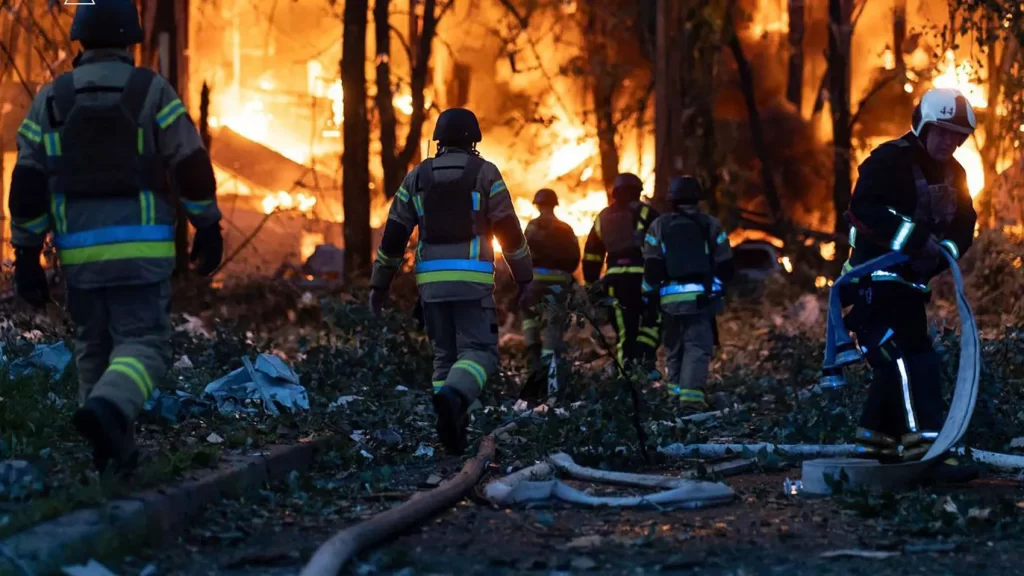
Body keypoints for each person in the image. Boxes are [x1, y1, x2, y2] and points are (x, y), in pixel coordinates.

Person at [9, 1, 223, 474]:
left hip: (80, 255)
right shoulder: (151, 92)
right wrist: (207, 224)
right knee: (145, 344)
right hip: (141, 254)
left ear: (80, 38)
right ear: (131, 39)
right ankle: (108, 409)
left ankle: (113, 454)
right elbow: (189, 162)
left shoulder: (52, 98)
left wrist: (26, 254)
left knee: (94, 346)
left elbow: (26, 181)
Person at [369, 107, 533, 455]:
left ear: (438, 141)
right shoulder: (485, 173)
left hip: (431, 284)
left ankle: (452, 431)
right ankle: (454, 398)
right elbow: (509, 231)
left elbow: (393, 236)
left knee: (445, 357)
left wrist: (379, 285)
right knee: (482, 353)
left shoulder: (417, 177)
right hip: (471, 282)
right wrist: (525, 278)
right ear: (474, 141)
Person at [842, 88, 977, 466]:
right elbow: (863, 208)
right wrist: (916, 240)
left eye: (957, 135)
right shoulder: (888, 161)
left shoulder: (956, 174)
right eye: (943, 131)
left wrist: (943, 254)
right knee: (901, 362)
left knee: (912, 361)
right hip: (871, 286)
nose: (949, 141)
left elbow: (965, 224)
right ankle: (924, 449)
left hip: (909, 289)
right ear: (922, 125)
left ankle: (875, 443)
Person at [642, 176, 734, 412]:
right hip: (699, 301)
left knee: (674, 349)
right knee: (696, 347)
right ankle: (691, 402)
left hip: (669, 302)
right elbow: (725, 265)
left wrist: (648, 298)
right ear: (697, 199)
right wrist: (715, 290)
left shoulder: (659, 226)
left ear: (672, 200)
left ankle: (674, 397)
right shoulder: (710, 225)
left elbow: (652, 268)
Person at [582, 173, 660, 375]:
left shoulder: (603, 217)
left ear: (615, 192)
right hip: (645, 280)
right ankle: (642, 362)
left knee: (625, 331)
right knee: (653, 321)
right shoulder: (649, 213)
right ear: (638, 191)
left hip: (616, 282)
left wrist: (592, 284)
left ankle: (628, 374)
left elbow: (592, 254)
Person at [518, 188, 580, 402]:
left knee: (529, 317)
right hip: (560, 283)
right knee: (554, 327)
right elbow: (575, 258)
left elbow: (522, 253)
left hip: (534, 281)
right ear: (555, 205)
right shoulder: (566, 229)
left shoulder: (532, 228)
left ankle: (533, 353)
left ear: (537, 205)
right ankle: (549, 373)